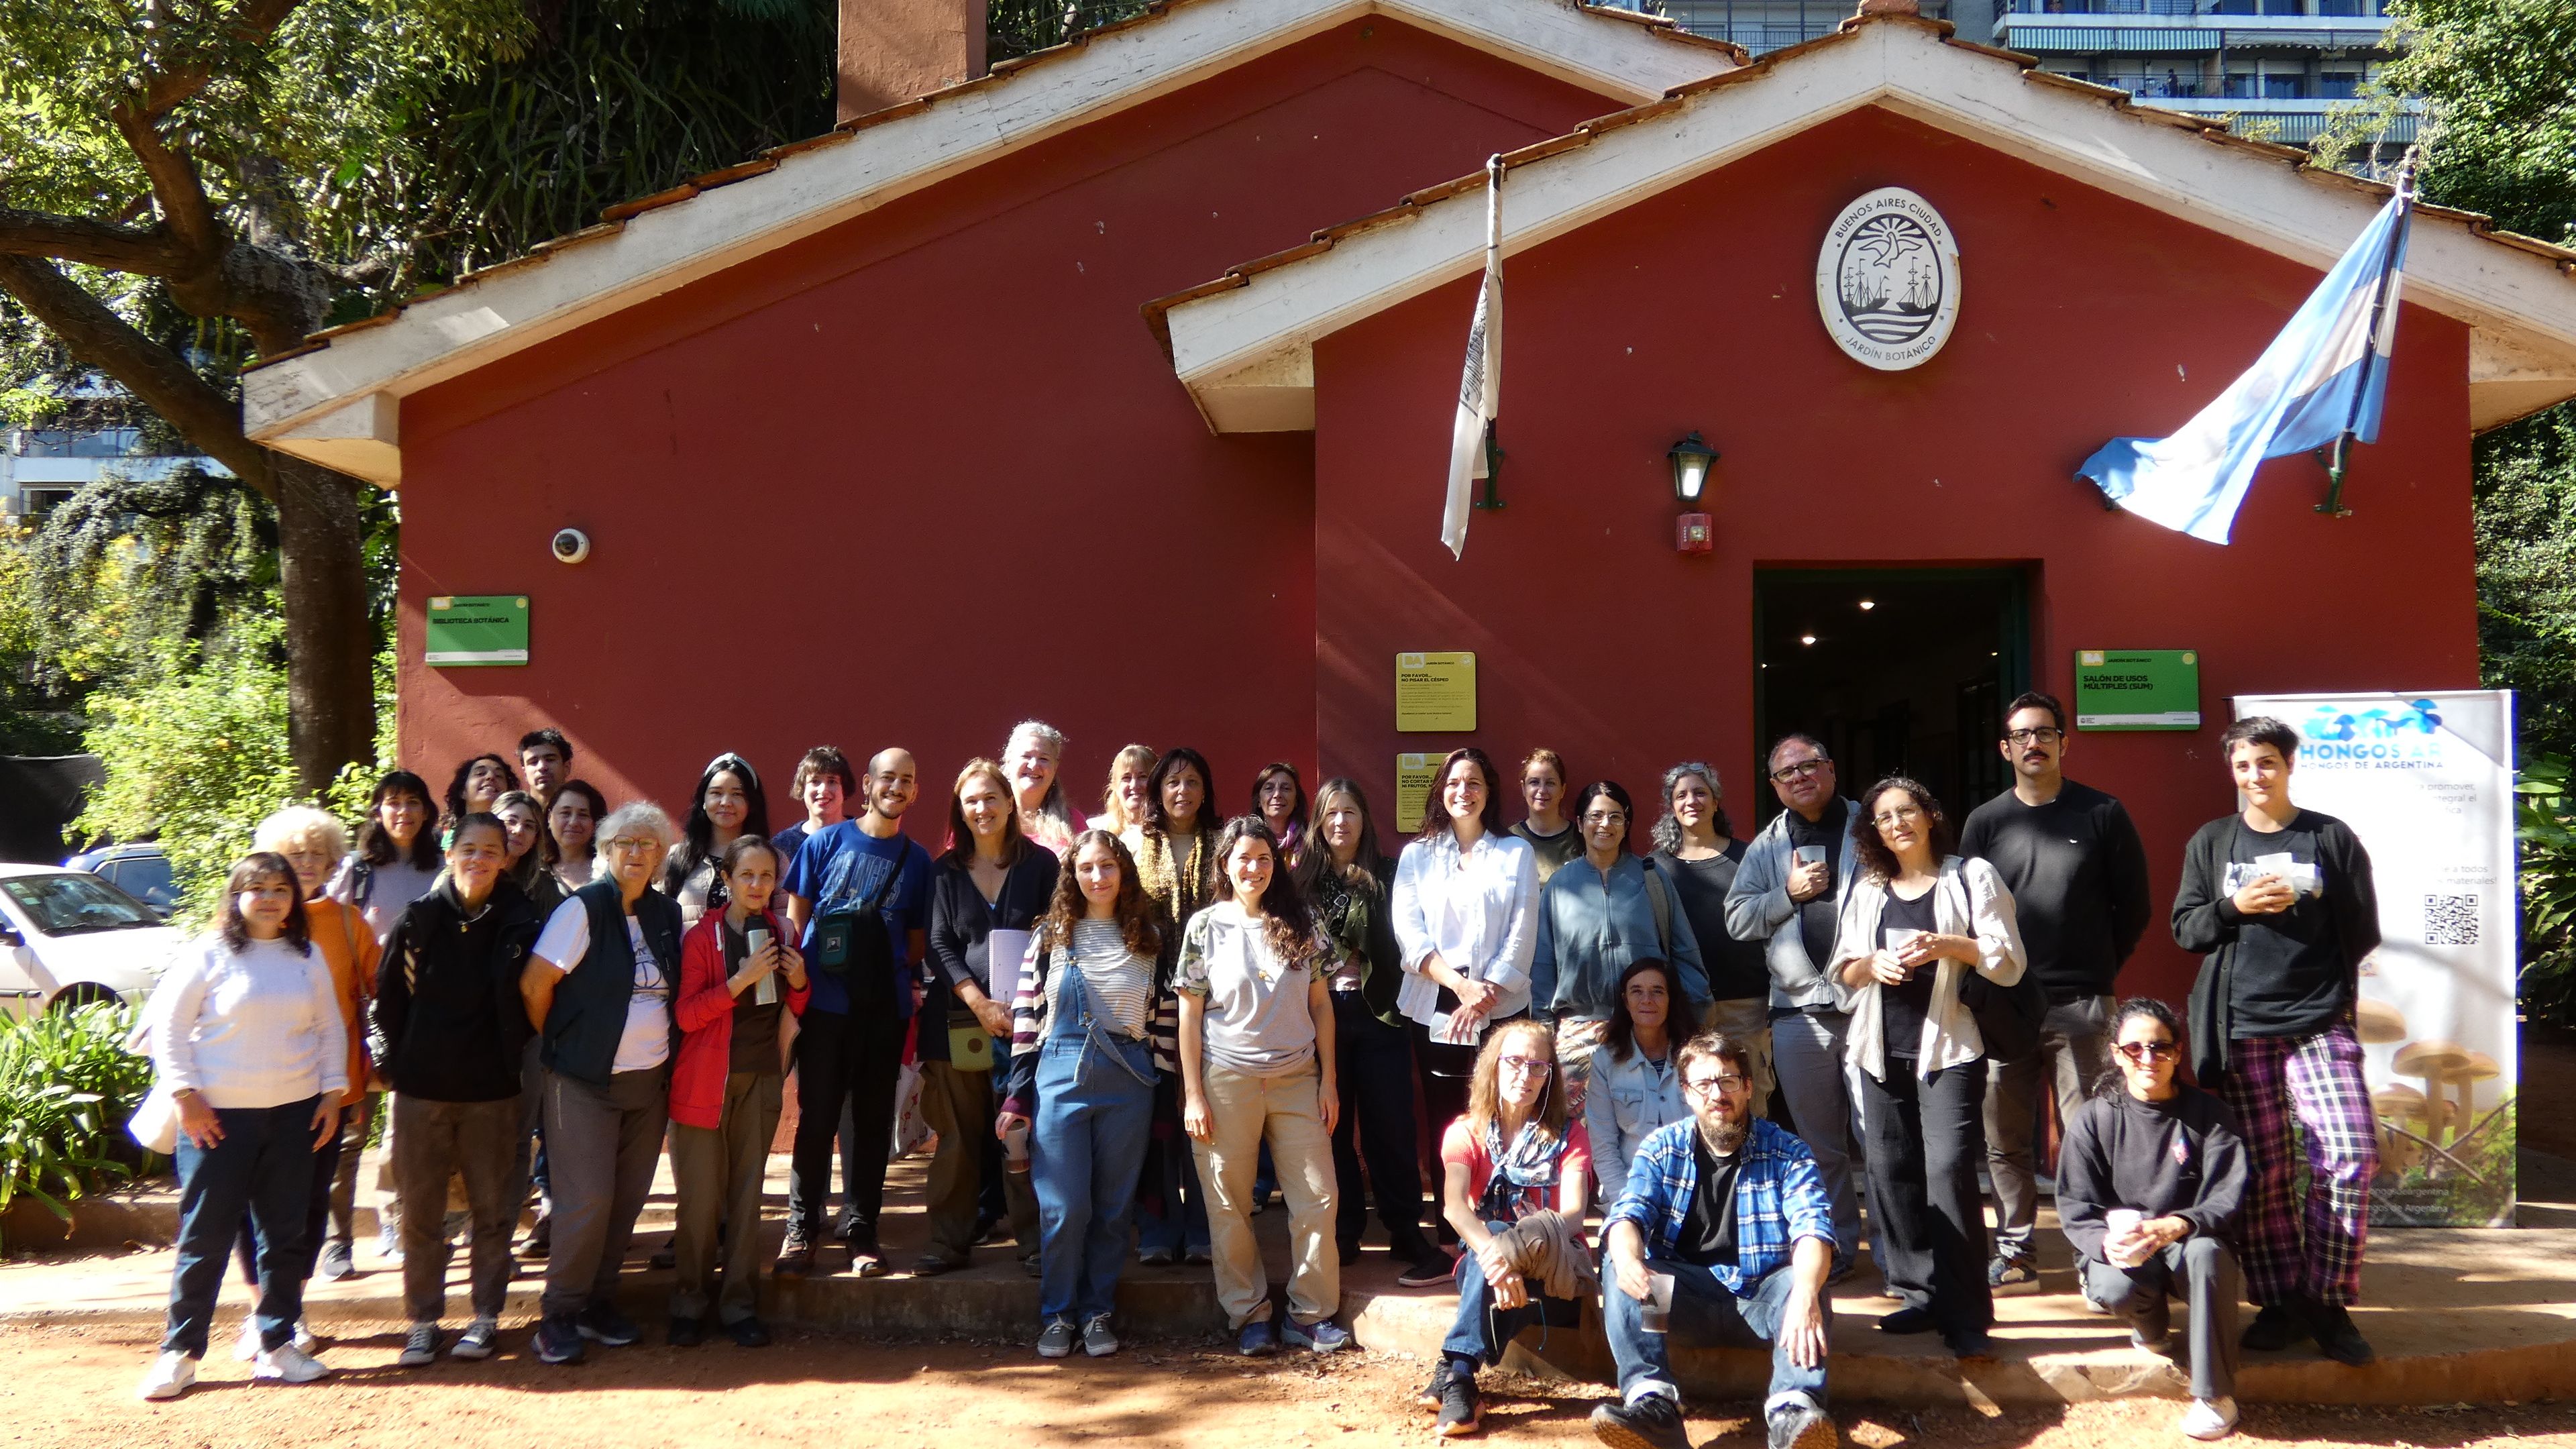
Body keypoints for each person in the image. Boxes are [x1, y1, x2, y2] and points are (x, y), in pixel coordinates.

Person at [2173, 715, 2381, 1366]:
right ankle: (2278, 1302)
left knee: (2351, 1151)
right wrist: (2237, 909)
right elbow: (2188, 928)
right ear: (2232, 771)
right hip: (2242, 1027)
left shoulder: (2329, 837)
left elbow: (2362, 926)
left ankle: (2326, 1298)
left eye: (2266, 762)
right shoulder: (2213, 841)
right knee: (2264, 1174)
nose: (2254, 775)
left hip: (2320, 1021)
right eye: (2242, 765)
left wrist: (2327, 986)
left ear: (2289, 764)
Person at [1829, 775, 2026, 1360]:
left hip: (1949, 1048)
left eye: (1907, 811)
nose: (1898, 824)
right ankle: (1920, 1292)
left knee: (1947, 1173)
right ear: (1875, 831)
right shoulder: (1866, 887)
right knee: (1891, 1171)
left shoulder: (1971, 876)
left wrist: (1951, 945)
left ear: (1931, 815)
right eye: (1885, 817)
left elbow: (2010, 960)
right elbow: (1841, 971)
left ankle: (1966, 1313)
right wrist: (1873, 964)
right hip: (1878, 1048)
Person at [1959, 692, 2151, 1290]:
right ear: (2005, 748)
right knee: (2004, 1141)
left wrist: (2096, 969)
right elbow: (1965, 913)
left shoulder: (2102, 813)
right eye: (2022, 735)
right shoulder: (1986, 823)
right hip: (2004, 1007)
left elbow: (2135, 907)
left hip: (2082, 1005)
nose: (2034, 743)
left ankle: (2095, 1256)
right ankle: (2016, 1253)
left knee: (2090, 1135)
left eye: (2045, 733)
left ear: (2064, 742)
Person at [139, 853, 347, 1401]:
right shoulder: (208, 953)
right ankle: (179, 1354)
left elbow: (331, 1030)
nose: (272, 898)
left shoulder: (308, 956)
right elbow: (170, 1030)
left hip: (295, 1118)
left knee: (284, 1236)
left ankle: (277, 1343)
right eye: (257, 888)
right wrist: (185, 1096)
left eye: (282, 888)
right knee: (204, 1237)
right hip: (216, 1122)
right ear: (236, 897)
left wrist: (332, 1095)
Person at [1597, 1029, 1837, 1449]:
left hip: (1761, 1297)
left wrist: (1804, 1291)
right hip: (1679, 1304)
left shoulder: (1788, 1152)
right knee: (1621, 1261)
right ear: (1687, 1093)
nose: (1717, 1094)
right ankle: (1653, 1408)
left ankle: (1792, 1415)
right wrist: (1630, 1259)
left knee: (1806, 1284)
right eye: (1704, 1084)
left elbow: (1813, 1228)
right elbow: (1627, 1216)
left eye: (1728, 1081)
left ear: (1747, 1088)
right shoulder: (1660, 1149)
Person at [372, 812, 543, 1369]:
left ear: (505, 858)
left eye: (490, 851)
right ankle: (424, 1322)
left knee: (493, 1212)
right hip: (422, 1091)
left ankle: (485, 1318)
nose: (478, 860)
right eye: (468, 849)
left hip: (493, 1092)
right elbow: (387, 1005)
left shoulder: (522, 920)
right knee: (419, 1213)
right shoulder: (417, 920)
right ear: (449, 853)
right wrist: (395, 1066)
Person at [519, 801, 684, 1365]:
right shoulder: (582, 910)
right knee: (586, 1199)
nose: (637, 854)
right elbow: (536, 984)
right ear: (607, 852)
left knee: (626, 1200)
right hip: (583, 1081)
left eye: (648, 845)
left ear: (662, 856)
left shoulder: (665, 914)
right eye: (625, 844)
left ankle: (598, 1303)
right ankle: (559, 1313)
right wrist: (565, 1043)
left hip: (648, 1084)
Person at [1178, 817, 1346, 1355]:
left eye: (1265, 859)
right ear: (1225, 863)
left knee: (1318, 1196)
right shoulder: (1204, 927)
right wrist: (1193, 1094)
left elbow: (1322, 1005)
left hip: (1298, 1078)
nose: (1254, 869)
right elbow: (1189, 1016)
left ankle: (1311, 1314)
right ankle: (1248, 1314)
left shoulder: (1303, 920)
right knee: (1228, 1203)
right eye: (1244, 858)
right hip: (1226, 1078)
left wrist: (1329, 1082)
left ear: (1278, 865)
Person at [996, 830, 1163, 1359]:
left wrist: (1172, 1090)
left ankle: (1097, 1312)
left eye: (1108, 866)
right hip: (1058, 1073)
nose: (1098, 877)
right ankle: (1057, 1314)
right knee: (1064, 1207)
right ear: (1072, 875)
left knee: (1114, 1209)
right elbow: (1026, 1020)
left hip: (1131, 1081)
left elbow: (1161, 1021)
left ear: (1124, 872)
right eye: (1087, 868)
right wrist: (1016, 1097)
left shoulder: (1151, 937)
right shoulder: (1050, 936)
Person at [2057, 998, 2249, 1442]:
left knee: (2208, 1254)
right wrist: (2105, 1243)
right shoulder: (2094, 1118)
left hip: (2188, 1240)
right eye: (2135, 1049)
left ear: (2178, 1053)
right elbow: (2074, 1203)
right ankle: (2150, 1324)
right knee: (2114, 1285)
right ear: (2115, 1053)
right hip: (2128, 1247)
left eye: (2161, 1047)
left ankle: (2216, 1395)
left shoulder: (2210, 1116)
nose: (2149, 1059)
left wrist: (2181, 1223)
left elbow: (2229, 1193)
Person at [226, 808, 376, 1356]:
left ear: (333, 859)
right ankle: (257, 1310)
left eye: (318, 854)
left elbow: (378, 990)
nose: (307, 864)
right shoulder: (242, 927)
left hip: (328, 1093)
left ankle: (293, 1308)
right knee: (252, 1204)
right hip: (251, 1089)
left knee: (310, 1203)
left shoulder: (347, 922)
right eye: (295, 854)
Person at [780, 747, 934, 1278]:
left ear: (915, 792)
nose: (896, 787)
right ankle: (801, 1230)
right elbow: (796, 927)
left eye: (907, 781)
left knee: (871, 1125)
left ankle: (861, 1229)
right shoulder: (822, 844)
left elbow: (915, 946)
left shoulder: (918, 862)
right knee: (817, 1120)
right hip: (824, 1007)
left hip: (883, 1011)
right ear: (866, 784)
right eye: (887, 778)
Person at [1299, 780, 1450, 1287]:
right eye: (1331, 814)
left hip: (1381, 1010)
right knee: (1331, 1124)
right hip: (1321, 1014)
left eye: (1350, 813)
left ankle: (1404, 1226)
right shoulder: (1301, 882)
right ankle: (1345, 1227)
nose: (1341, 822)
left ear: (1365, 820)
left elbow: (1406, 935)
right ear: (1319, 823)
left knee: (1391, 1124)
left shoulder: (1388, 875)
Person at [1725, 734, 1865, 1275]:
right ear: (1775, 786)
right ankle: (1842, 1249)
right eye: (1788, 773)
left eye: (1810, 766)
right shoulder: (1767, 845)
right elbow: (1737, 918)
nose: (1801, 777)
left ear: (1831, 769)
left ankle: (1906, 1249)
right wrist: (1789, 895)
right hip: (1798, 1016)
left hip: (1868, 1007)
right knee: (1821, 1144)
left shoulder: (1869, 823)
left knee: (1879, 1136)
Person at [1418, 1019, 1591, 1438]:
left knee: (1498, 1229)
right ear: (1493, 1067)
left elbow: (1572, 1215)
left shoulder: (1571, 1135)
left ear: (1550, 1076)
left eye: (1538, 1067)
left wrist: (1510, 1248)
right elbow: (1455, 1208)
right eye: (1514, 1062)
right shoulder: (1465, 1132)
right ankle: (1461, 1376)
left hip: (1557, 1269)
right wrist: (1496, 1257)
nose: (1525, 1076)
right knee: (1491, 1225)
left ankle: (1455, 1372)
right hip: (1486, 1269)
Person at [668, 835, 808, 1347]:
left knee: (748, 1198)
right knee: (701, 1203)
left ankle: (739, 1306)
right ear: (725, 880)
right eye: (746, 875)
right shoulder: (702, 938)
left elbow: (796, 1005)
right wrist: (739, 981)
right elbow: (686, 1015)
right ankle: (689, 1302)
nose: (757, 885)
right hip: (704, 1084)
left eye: (766, 877)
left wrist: (800, 977)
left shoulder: (781, 929)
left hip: (761, 1079)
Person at [919, 759, 1055, 1275]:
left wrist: (1018, 1008)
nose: (982, 809)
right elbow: (937, 944)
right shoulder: (945, 872)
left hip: (1027, 1026)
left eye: (991, 798)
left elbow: (1058, 936)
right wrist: (979, 1002)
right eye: (971, 800)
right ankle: (948, 1241)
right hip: (956, 1023)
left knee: (1019, 1130)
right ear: (961, 809)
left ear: (1008, 803)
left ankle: (1033, 1242)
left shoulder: (1041, 866)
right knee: (957, 1136)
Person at [321, 769, 441, 1275]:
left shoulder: (440, 867)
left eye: (413, 802)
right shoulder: (357, 871)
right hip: (358, 1017)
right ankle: (337, 1240)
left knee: (402, 1131)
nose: (403, 812)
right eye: (393, 803)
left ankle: (393, 1219)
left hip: (418, 1018)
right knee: (348, 1134)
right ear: (377, 812)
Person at [1393, 747, 1539, 1157]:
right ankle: (1450, 1219)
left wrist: (1483, 995)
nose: (1464, 791)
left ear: (1489, 792)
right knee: (1448, 1120)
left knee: (1506, 1115)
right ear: (1441, 791)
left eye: (1474, 782)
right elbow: (1409, 935)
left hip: (1502, 1005)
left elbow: (1523, 930)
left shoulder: (1517, 853)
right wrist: (1461, 987)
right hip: (1437, 1001)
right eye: (1454, 783)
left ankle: (1502, 1219)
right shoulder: (1416, 856)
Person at [1529, 780, 1708, 1105]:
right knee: (1581, 1137)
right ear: (1580, 823)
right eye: (1596, 816)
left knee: (1651, 1125)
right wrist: (1543, 1029)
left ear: (1626, 825)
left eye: (1615, 817)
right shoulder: (1559, 886)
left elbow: (1684, 951)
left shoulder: (1652, 878)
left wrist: (1692, 1019)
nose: (1605, 825)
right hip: (1579, 1030)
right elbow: (1543, 963)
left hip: (1649, 1026)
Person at [1133, 745, 1220, 1265]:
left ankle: (1205, 1229)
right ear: (1157, 792)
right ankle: (1158, 1230)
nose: (1181, 792)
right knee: (1159, 1121)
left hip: (1213, 1002)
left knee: (1206, 1117)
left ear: (1205, 790)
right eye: (1171, 783)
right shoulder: (1135, 846)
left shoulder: (1223, 843)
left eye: (1191, 782)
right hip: (1149, 1000)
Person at [1650, 762, 1775, 1116]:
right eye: (1682, 795)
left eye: (1701, 792)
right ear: (1672, 807)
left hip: (1746, 1003)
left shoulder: (1749, 858)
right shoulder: (1654, 868)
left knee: (1749, 1099)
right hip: (1684, 1005)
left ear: (1717, 802)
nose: (1692, 801)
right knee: (1693, 1099)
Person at [1582, 958, 1699, 1203]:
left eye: (1658, 992)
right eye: (1637, 991)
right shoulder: (1605, 1062)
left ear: (1671, 999)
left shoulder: (1698, 1057)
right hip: (1629, 1188)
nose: (1647, 1000)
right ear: (1625, 1001)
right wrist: (1629, 1205)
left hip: (1695, 1187)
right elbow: (1604, 1149)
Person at [664, 753, 769, 930]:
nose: (726, 802)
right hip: (689, 957)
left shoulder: (773, 859)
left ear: (752, 803)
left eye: (737, 794)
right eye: (716, 793)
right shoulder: (675, 857)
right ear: (703, 800)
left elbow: (785, 929)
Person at [1006, 720, 1084, 857]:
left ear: (1055, 767)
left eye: (1044, 759)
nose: (1034, 765)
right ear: (1009, 760)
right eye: (1026, 756)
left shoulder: (1073, 821)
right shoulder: (989, 815)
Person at [1508, 749, 1582, 883]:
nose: (1542, 790)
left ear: (1562, 790)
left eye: (1550, 783)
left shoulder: (1580, 838)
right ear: (1523, 788)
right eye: (1534, 782)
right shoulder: (1509, 839)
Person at [771, 746, 854, 864]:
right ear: (802, 788)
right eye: (815, 781)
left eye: (832, 781)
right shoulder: (783, 845)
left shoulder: (862, 836)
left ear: (844, 788)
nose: (823, 790)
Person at [495, 789, 566, 914]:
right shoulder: (470, 870)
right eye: (511, 821)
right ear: (492, 823)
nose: (519, 831)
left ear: (535, 839)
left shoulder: (544, 888)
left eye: (529, 826)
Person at [548, 780, 608, 893]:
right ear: (549, 817)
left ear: (596, 822)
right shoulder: (534, 871)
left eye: (583, 815)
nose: (573, 822)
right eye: (566, 813)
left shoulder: (608, 871)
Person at [1251, 762, 1309, 870]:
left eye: (1286, 788)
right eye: (1269, 788)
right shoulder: (1247, 840)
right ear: (1259, 800)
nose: (1277, 794)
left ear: (1296, 800)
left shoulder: (1312, 842)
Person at [1088, 743, 1157, 835]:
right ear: (1115, 785)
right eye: (1126, 778)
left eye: (1143, 776)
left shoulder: (1171, 831)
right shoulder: (1096, 830)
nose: (1134, 785)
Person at [445, 753, 519, 826]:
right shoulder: (444, 836)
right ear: (462, 791)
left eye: (499, 775)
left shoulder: (517, 833)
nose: (491, 776)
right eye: (480, 773)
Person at [519, 729, 573, 806]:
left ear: (566, 767)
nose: (542, 767)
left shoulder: (585, 813)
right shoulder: (510, 815)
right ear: (525, 773)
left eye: (550, 760)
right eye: (534, 762)